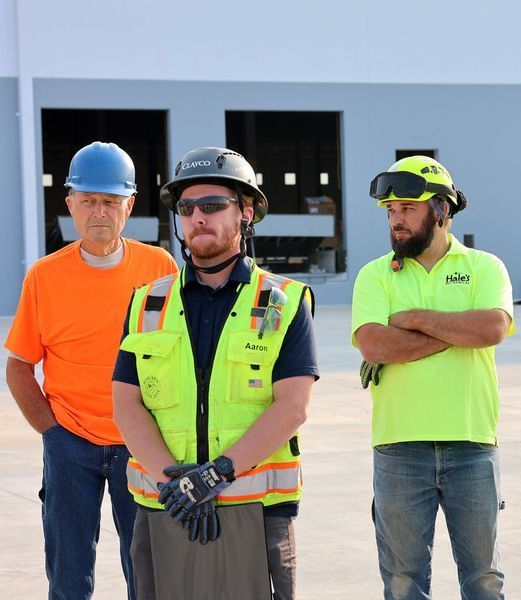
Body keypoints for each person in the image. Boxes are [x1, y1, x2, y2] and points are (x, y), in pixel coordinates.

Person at [112, 147, 318, 600]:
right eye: (187, 208)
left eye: (212, 205)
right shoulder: (148, 302)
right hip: (165, 505)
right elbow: (127, 404)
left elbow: (292, 407)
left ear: (246, 213)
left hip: (259, 509)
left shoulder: (282, 302)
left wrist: (214, 475)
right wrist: (175, 481)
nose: (197, 217)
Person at [4, 141, 178, 599]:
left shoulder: (159, 269)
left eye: (109, 201)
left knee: (147, 572)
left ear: (129, 205)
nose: (97, 212)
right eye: (87, 201)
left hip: (139, 443)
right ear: (70, 205)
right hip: (70, 444)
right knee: (68, 575)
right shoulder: (45, 276)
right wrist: (52, 433)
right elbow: (19, 366)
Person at [352, 155, 514, 600]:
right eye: (391, 211)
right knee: (403, 582)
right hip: (399, 448)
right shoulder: (374, 275)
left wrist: (414, 320)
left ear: (440, 210)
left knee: (483, 579)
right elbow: (374, 345)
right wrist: (455, 331)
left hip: (472, 446)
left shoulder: (485, 267)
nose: (396, 220)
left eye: (407, 208)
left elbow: (491, 329)